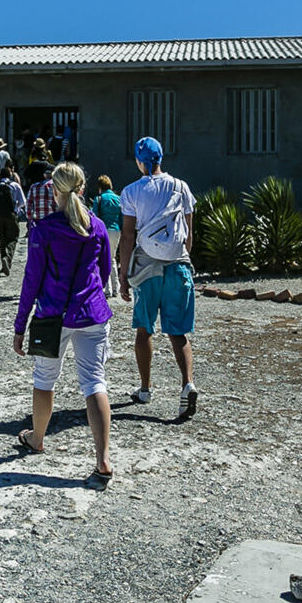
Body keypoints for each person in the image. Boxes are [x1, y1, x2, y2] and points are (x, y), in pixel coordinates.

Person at [12, 162, 116, 480]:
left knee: (44, 381)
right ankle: (103, 460)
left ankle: (37, 439)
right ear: (82, 189)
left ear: (53, 191)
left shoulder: (43, 230)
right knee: (94, 383)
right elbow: (105, 269)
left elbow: (31, 282)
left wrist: (20, 327)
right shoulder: (96, 226)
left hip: (52, 316)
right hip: (92, 313)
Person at [116, 137, 200, 418]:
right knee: (178, 331)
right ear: (161, 158)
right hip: (178, 264)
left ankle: (145, 388)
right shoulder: (182, 187)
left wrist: (124, 273)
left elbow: (128, 236)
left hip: (148, 266)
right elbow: (188, 235)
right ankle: (187, 384)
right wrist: (182, 257)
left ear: (140, 161)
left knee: (144, 328)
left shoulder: (131, 191)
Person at [90, 174, 123, 296]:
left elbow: (94, 218)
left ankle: (107, 289)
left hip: (103, 231)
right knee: (112, 258)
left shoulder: (99, 199)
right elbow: (122, 217)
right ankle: (116, 288)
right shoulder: (118, 199)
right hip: (116, 231)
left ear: (100, 187)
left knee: (102, 259)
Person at [0, 164, 25, 276]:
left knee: (2, 238)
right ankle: (7, 258)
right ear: (10, 175)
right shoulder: (14, 185)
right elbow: (23, 202)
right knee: (13, 238)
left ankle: (3, 263)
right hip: (11, 215)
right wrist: (16, 208)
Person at [22, 160, 57, 224]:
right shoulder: (56, 186)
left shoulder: (34, 186)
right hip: (53, 221)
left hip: (38, 222)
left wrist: (31, 219)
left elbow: (28, 206)